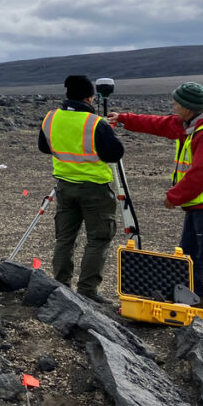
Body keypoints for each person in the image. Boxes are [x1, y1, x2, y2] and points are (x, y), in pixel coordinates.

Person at [108, 82, 203, 326]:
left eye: (177, 103)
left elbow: (200, 174)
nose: (173, 107)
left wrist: (174, 196)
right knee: (189, 254)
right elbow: (157, 124)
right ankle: (198, 299)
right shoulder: (190, 125)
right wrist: (123, 118)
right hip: (199, 203)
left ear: (188, 107)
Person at [38, 74, 124, 304]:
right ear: (89, 98)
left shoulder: (51, 118)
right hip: (94, 189)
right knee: (98, 239)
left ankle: (61, 286)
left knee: (64, 238)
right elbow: (115, 153)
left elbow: (44, 147)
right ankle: (87, 290)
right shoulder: (95, 123)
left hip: (65, 186)